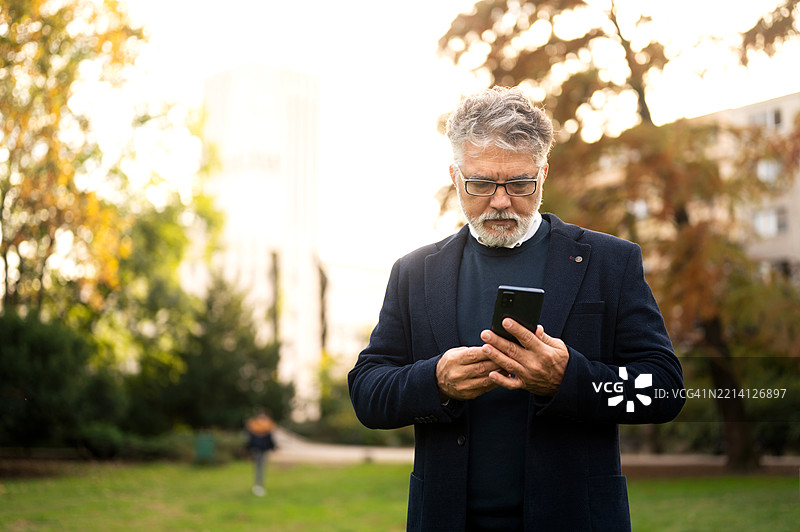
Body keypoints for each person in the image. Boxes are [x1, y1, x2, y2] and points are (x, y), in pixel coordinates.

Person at [348, 86, 685, 531]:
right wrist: (435, 380)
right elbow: (368, 393)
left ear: (542, 174)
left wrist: (570, 379)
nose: (501, 200)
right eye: (482, 183)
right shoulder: (414, 271)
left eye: (520, 183)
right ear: (455, 176)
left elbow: (663, 389)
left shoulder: (610, 262)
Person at [245, 409, 276, 497]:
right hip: (257, 449)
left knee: (260, 467)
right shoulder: (256, 425)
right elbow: (251, 439)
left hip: (261, 449)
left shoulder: (265, 426)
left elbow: (269, 439)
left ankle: (259, 485)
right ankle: (258, 485)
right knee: (260, 467)